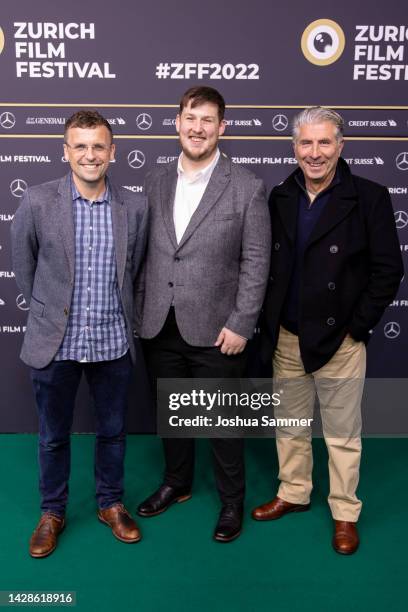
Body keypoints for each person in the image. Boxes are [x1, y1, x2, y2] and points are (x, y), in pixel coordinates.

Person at [252, 106, 403, 554]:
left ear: (340, 145)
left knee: (341, 432)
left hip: (340, 339)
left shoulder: (370, 196)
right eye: (305, 143)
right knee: (291, 423)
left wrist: (357, 328)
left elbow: (387, 270)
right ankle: (294, 492)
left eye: (323, 143)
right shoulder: (280, 195)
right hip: (287, 336)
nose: (314, 153)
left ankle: (344, 511)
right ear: (294, 147)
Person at [136, 86, 271, 542]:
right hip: (159, 322)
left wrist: (242, 322)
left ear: (221, 127)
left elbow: (256, 262)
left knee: (221, 424)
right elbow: (146, 254)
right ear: (177, 122)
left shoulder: (247, 186)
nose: (198, 128)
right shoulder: (153, 181)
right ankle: (177, 482)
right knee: (171, 413)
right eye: (190, 118)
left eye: (207, 120)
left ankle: (232, 502)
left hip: (218, 330)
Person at [11, 110, 148, 557]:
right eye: (81, 146)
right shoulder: (36, 201)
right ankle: (52, 511)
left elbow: (136, 269)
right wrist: (51, 314)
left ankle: (111, 503)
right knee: (53, 435)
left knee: (112, 431)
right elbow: (25, 269)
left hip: (112, 341)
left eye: (99, 146)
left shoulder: (134, 206)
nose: (90, 155)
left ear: (113, 151)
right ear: (66, 151)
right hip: (57, 343)